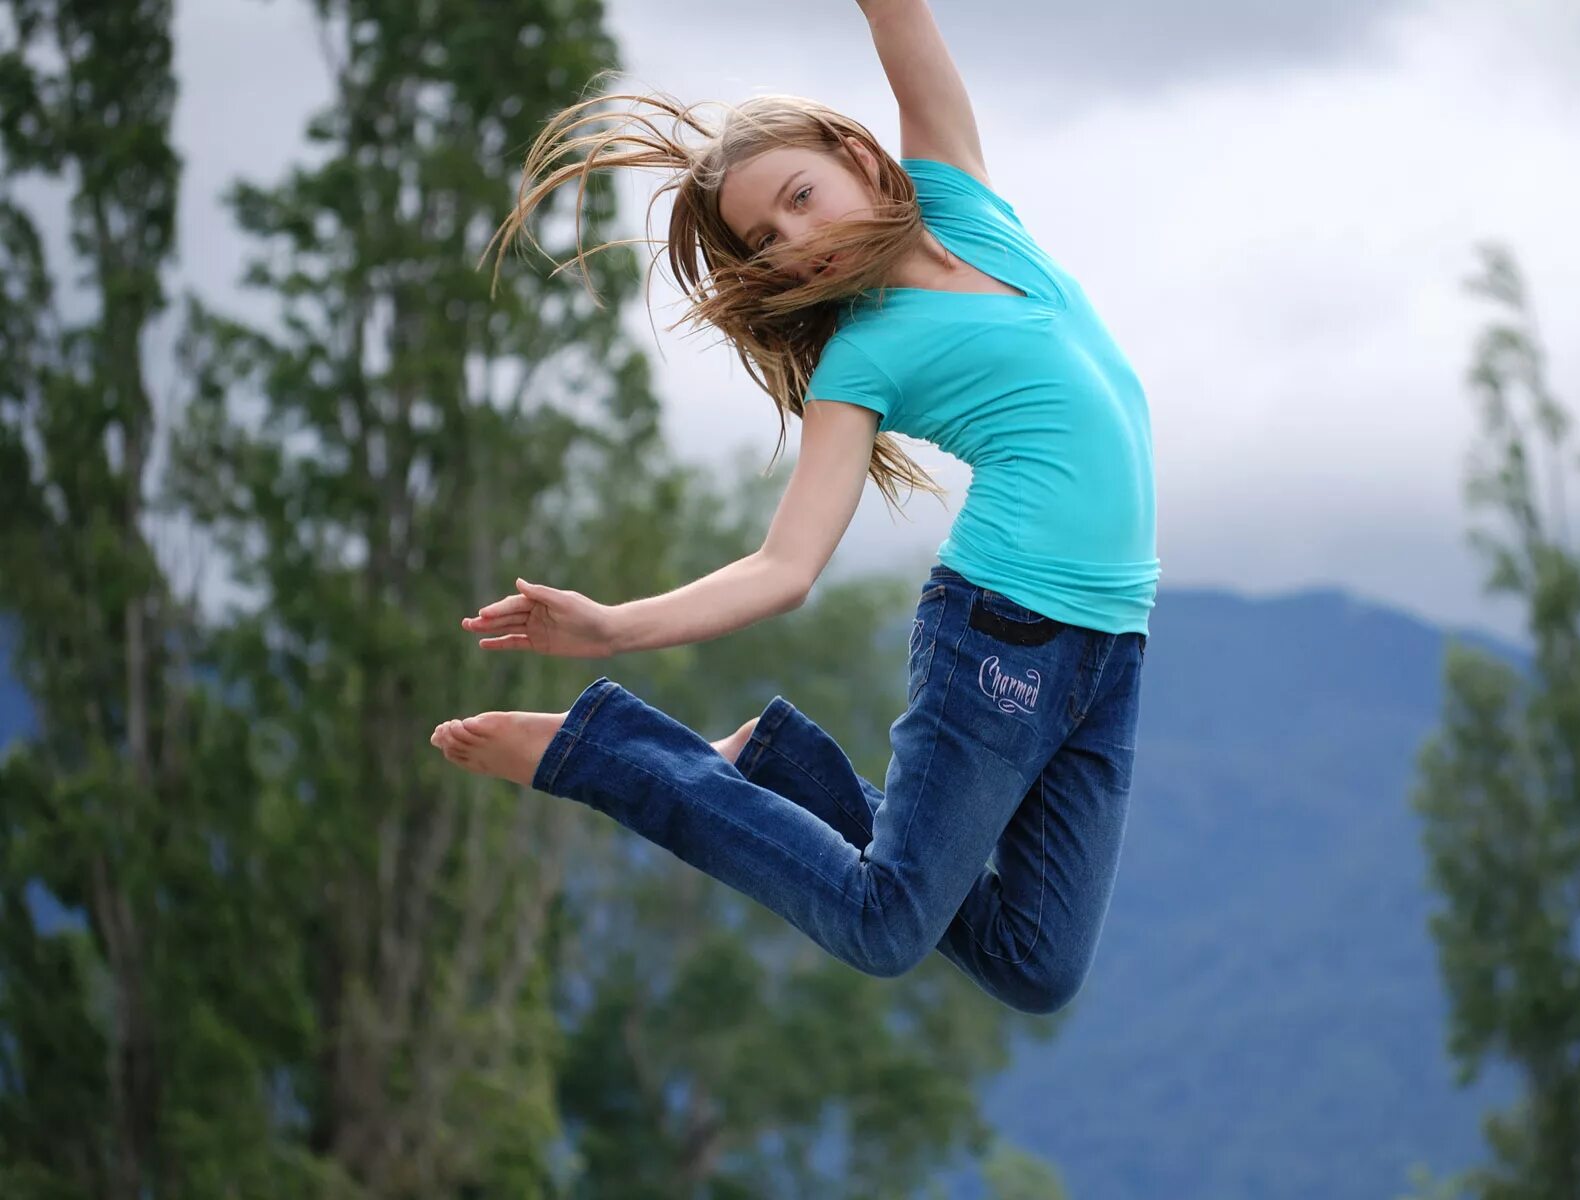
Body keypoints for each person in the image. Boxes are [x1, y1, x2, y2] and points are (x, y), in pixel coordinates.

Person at [429, 0, 1156, 1015]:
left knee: (1037, 962)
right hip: (1007, 636)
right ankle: (601, 756)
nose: (796, 239)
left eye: (802, 197)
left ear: (858, 153)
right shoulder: (861, 359)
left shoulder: (966, 206)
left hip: (1112, 643)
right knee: (882, 923)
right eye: (767, 240)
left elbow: (899, 18)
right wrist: (608, 627)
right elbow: (785, 567)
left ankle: (772, 762)